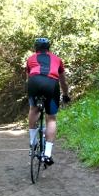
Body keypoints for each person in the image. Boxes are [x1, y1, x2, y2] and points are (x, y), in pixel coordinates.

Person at [26, 37, 70, 165]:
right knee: (51, 118)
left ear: (36, 48)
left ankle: (32, 143)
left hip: (34, 82)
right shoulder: (57, 59)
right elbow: (63, 81)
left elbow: (28, 78)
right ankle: (47, 154)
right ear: (48, 48)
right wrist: (66, 94)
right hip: (51, 83)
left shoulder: (30, 59)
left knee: (33, 109)